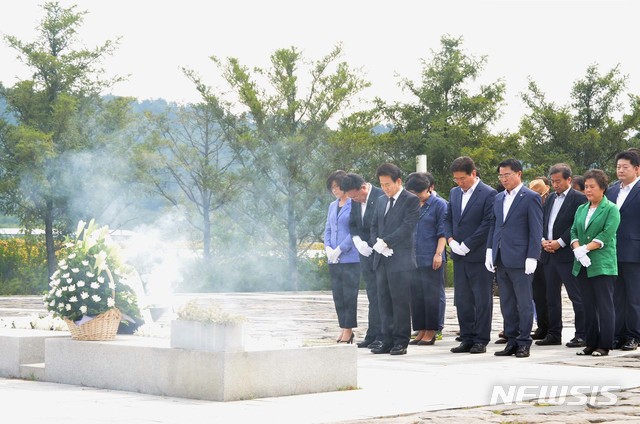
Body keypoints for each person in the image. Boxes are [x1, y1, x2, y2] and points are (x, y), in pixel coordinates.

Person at [486, 158, 543, 358]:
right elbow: (495, 225)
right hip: (501, 257)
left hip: (521, 258)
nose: (503, 179)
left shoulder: (530, 197)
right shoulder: (499, 198)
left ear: (519, 174)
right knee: (507, 302)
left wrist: (532, 256)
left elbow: (536, 230)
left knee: (524, 302)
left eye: (507, 175)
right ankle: (511, 340)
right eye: (500, 175)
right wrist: (489, 250)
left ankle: (524, 341)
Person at [445, 156, 497, 354]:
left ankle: (481, 338)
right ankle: (466, 336)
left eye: (462, 179)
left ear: (473, 174)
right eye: (456, 179)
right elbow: (448, 218)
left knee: (481, 299)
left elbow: (488, 223)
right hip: (458, 254)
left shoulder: (488, 193)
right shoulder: (454, 193)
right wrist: (451, 240)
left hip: (478, 254)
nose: (459, 183)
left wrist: (468, 244)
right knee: (463, 298)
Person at [369, 163, 420, 355]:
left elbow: (408, 227)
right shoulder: (381, 200)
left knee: (399, 301)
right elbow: (374, 225)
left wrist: (388, 243)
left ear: (398, 181)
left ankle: (401, 340)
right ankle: (387, 339)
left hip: (400, 258)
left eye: (388, 184)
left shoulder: (410, 200)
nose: (385, 188)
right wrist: (378, 244)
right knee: (383, 300)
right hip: (382, 258)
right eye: (381, 185)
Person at [537, 163, 587, 348]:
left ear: (569, 180)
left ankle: (582, 334)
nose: (555, 184)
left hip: (567, 254)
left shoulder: (579, 199)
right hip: (549, 254)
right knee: (551, 297)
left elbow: (577, 225)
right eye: (553, 181)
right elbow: (543, 221)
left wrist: (560, 242)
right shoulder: (549, 199)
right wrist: (543, 240)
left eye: (559, 181)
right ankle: (553, 333)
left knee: (577, 296)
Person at [571, 169, 620, 357]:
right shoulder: (581, 209)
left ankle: (604, 344)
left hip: (602, 264)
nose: (588, 190)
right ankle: (591, 343)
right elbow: (574, 230)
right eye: (586, 187)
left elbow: (606, 235)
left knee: (604, 305)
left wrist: (586, 248)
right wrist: (577, 249)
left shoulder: (611, 209)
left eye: (592, 187)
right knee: (588, 304)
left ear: (603, 188)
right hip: (582, 263)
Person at [340, 173, 385, 349]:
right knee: (372, 295)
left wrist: (375, 244)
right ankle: (372, 334)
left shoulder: (381, 196)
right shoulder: (354, 201)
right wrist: (357, 241)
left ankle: (383, 334)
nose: (354, 200)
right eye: (351, 197)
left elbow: (383, 225)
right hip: (365, 255)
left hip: (381, 253)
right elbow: (353, 224)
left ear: (364, 187)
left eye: (355, 196)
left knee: (383, 296)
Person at [405, 172, 447, 346]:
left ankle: (431, 330)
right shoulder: (411, 205)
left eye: (418, 194)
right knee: (417, 296)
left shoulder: (439, 205)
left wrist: (438, 254)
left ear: (428, 189)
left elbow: (443, 232)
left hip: (431, 257)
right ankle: (421, 329)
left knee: (431, 296)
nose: (415, 197)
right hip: (413, 257)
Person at [605, 150, 640, 351]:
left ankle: (633, 336)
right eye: (618, 167)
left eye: (625, 167)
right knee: (616, 297)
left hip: (635, 252)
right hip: (611, 252)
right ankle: (617, 334)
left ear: (636, 169)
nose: (620, 170)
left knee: (634, 297)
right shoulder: (610, 192)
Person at [324, 170, 360, 344]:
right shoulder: (332, 206)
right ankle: (342, 327)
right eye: (332, 188)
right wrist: (328, 249)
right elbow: (328, 229)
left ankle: (349, 329)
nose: (335, 190)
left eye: (337, 187)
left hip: (350, 257)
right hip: (334, 259)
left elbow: (354, 229)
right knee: (338, 295)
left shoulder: (353, 204)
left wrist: (340, 248)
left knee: (349, 295)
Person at [528, 178, 551, 341]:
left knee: (550, 294)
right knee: (537, 294)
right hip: (536, 252)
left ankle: (551, 327)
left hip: (551, 252)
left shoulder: (550, 203)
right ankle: (541, 326)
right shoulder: (530, 202)